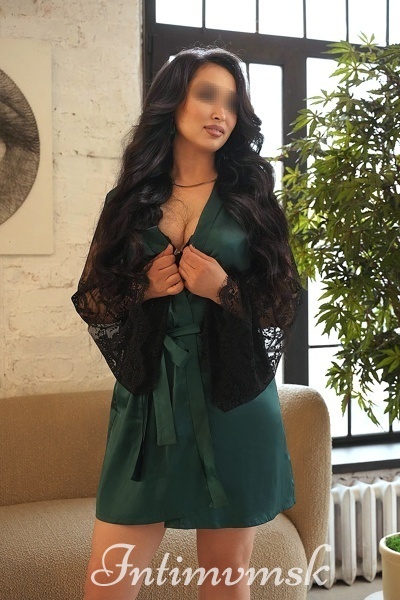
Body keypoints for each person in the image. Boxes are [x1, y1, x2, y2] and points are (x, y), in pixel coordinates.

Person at [71, 46, 302, 600]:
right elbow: (94, 299)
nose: (221, 112)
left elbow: (283, 301)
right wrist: (143, 288)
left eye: (232, 102)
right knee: (107, 581)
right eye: (206, 95)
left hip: (233, 399)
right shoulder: (127, 201)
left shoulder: (252, 199)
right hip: (150, 403)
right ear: (172, 102)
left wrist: (222, 288)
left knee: (226, 577)